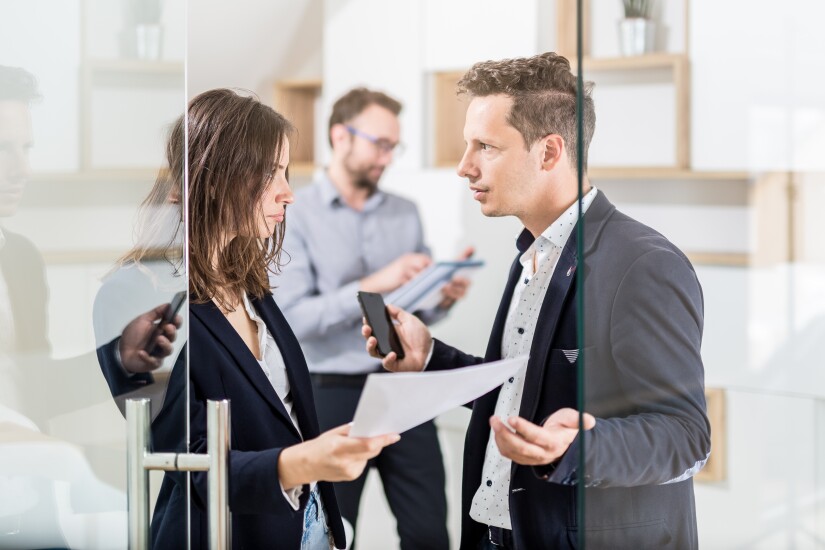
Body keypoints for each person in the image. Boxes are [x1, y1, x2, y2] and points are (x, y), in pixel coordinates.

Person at [363, 52, 710, 550]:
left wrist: (579, 449)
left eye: (485, 146)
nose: (465, 167)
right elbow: (521, 390)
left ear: (549, 152)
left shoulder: (643, 264)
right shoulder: (532, 251)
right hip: (498, 531)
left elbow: (686, 437)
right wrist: (430, 358)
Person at [138, 88, 400, 550]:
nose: (289, 193)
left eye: (285, 172)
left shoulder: (248, 285)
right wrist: (302, 462)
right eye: (270, 173)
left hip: (309, 523)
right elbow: (188, 461)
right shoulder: (144, 299)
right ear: (216, 177)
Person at [275, 87, 470, 549]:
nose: (388, 156)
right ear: (340, 136)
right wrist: (376, 283)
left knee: (429, 532)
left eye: (393, 146)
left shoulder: (406, 213)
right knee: (335, 533)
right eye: (380, 143)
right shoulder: (292, 214)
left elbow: (413, 313)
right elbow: (294, 319)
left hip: (405, 392)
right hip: (330, 394)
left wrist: (442, 297)